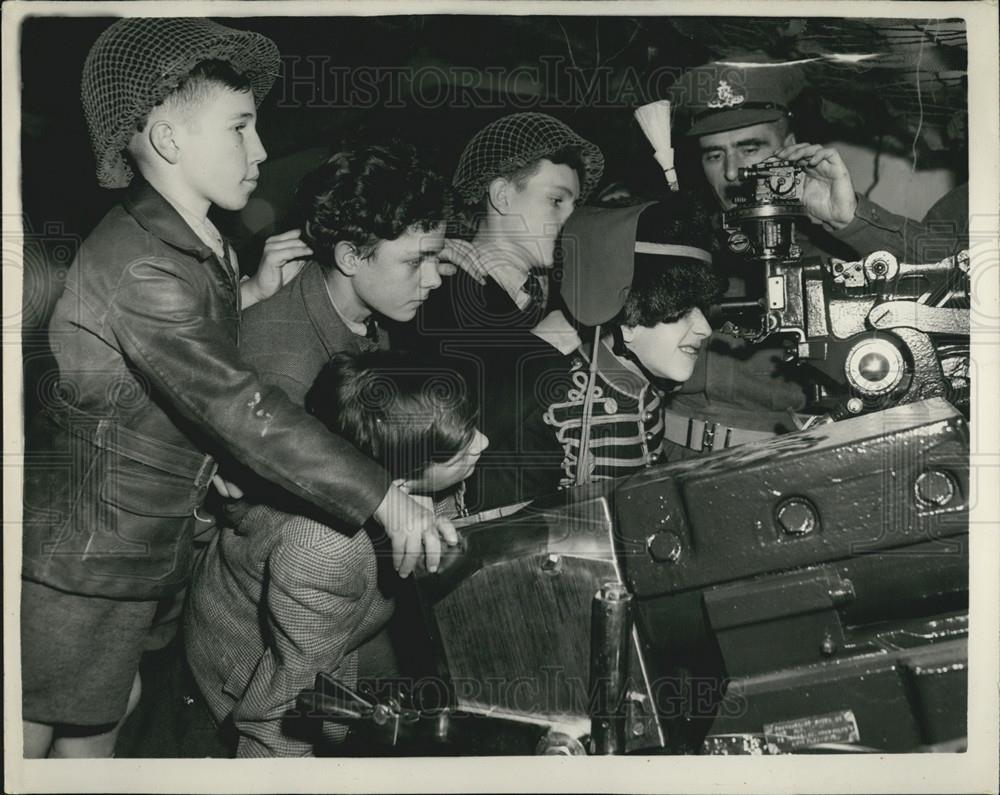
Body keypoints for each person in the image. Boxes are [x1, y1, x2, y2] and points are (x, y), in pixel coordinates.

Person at [20, 18, 453, 759]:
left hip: (130, 553)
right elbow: (238, 405)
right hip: (85, 561)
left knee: (99, 721)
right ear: (166, 139)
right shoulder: (143, 264)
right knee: (33, 739)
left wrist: (245, 295)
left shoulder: (182, 241)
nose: (260, 151)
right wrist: (381, 493)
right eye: (242, 127)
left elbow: (177, 353)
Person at [185, 351, 488, 757]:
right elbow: (280, 710)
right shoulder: (323, 548)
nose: (483, 443)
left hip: (346, 619)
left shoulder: (406, 466)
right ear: (399, 484)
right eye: (459, 451)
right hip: (249, 661)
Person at [407, 112, 605, 510]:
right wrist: (542, 347)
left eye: (574, 204)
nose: (570, 218)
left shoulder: (539, 297)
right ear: (501, 196)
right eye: (555, 201)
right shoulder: (439, 296)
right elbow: (446, 439)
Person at [481, 198, 721, 506]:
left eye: (702, 309)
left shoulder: (643, 390)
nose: (705, 328)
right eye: (682, 311)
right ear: (628, 319)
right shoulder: (544, 401)